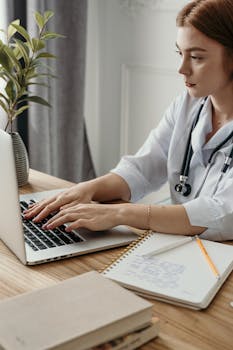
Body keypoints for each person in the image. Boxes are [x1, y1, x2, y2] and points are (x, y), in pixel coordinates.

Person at [24, 0, 233, 241]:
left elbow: (223, 213)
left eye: (196, 57)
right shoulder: (187, 106)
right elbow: (142, 168)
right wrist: (86, 189)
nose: (182, 68)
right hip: (181, 245)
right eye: (180, 53)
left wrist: (120, 212)